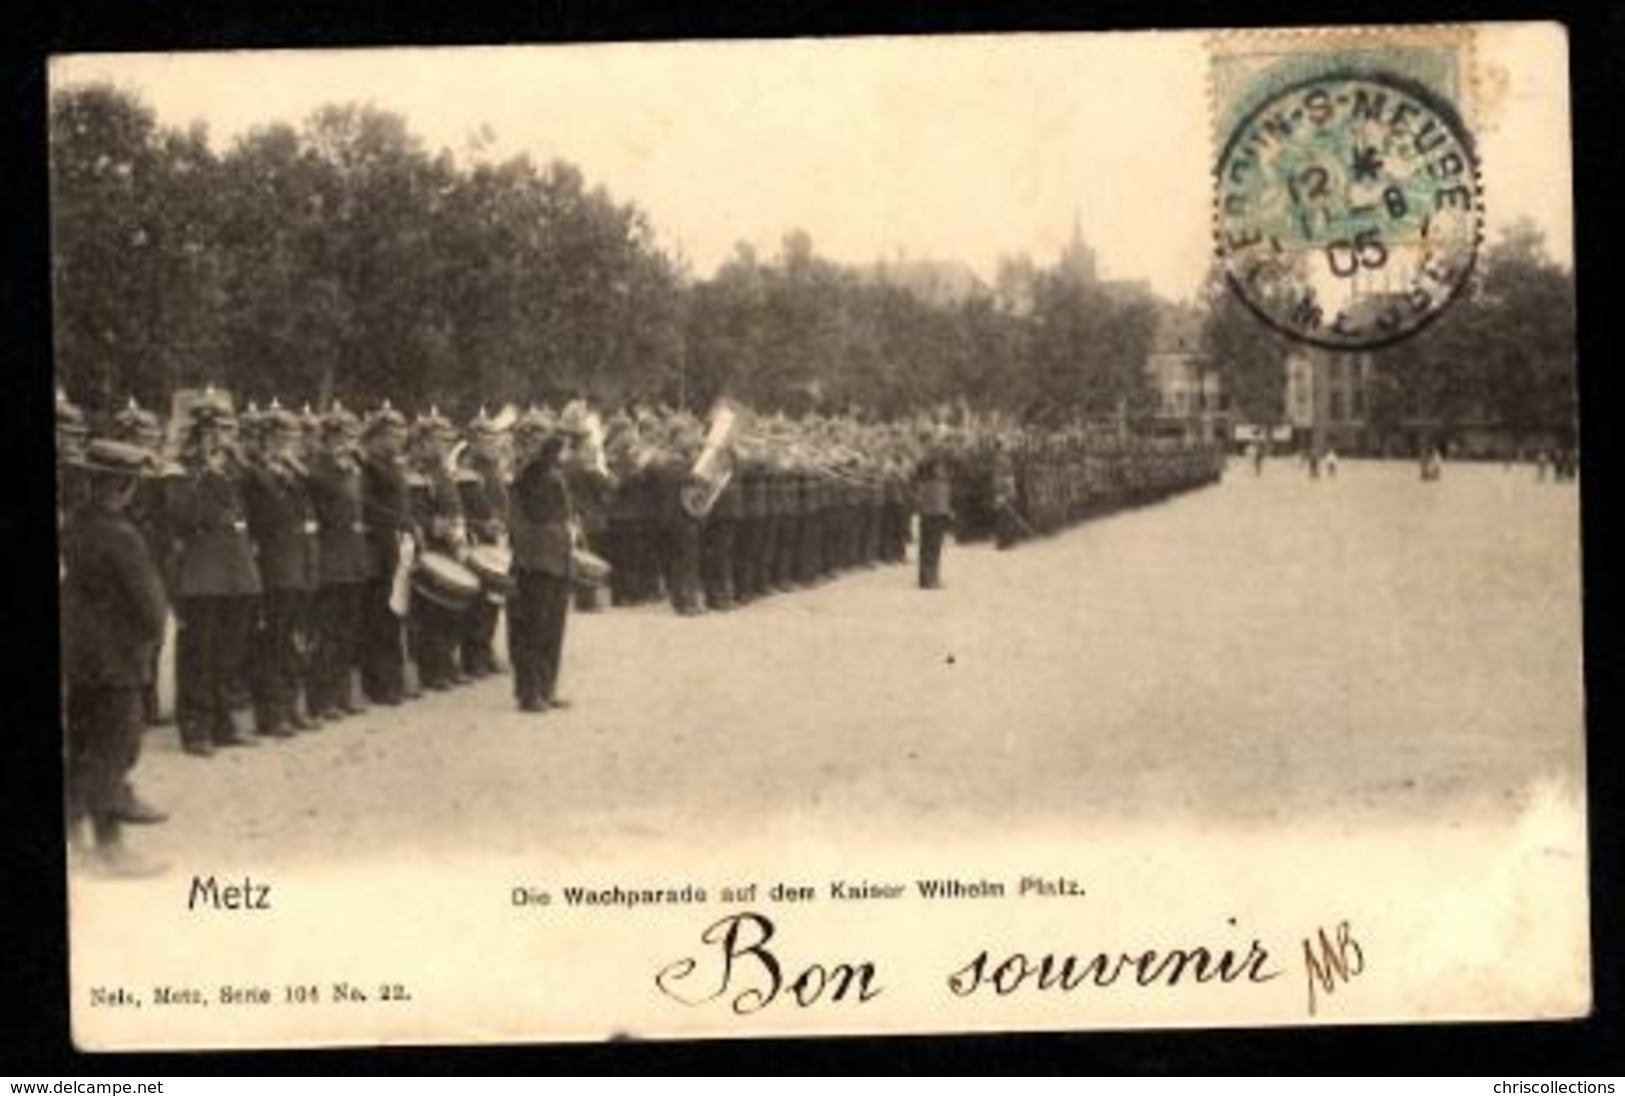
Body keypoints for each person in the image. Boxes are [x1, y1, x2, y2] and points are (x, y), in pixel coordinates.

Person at [62, 438, 171, 877]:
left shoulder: (73, 525)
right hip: (117, 657)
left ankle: (75, 843)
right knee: (116, 745)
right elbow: (151, 606)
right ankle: (111, 849)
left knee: (82, 745)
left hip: (78, 654)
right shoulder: (122, 535)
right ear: (125, 487)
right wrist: (150, 640)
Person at [168, 394, 261, 756]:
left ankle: (222, 722)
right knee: (198, 652)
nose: (221, 436)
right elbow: (185, 515)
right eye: (213, 429)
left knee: (229, 652)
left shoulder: (235, 467)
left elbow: (254, 504)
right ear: (197, 431)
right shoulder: (179, 469)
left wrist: (230, 464)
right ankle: (195, 728)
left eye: (225, 428)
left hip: (235, 569)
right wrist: (207, 471)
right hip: (200, 570)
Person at [242, 404, 320, 736]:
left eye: (290, 438)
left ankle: (291, 706)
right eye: (278, 437)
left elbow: (313, 500)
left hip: (298, 564)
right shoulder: (254, 474)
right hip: (273, 566)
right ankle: (271, 715)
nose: (286, 444)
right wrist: (279, 470)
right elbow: (265, 514)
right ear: (263, 440)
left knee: (293, 640)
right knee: (271, 643)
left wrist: (294, 471)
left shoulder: (294, 475)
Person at [507, 411, 577, 713]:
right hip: (534, 556)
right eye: (537, 435)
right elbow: (537, 459)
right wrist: (558, 433)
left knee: (552, 627)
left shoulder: (550, 468)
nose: (544, 441)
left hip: (556, 554)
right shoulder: (527, 467)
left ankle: (547, 688)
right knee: (531, 628)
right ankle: (528, 692)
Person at [307, 403, 370, 720]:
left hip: (353, 558)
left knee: (348, 631)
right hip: (330, 559)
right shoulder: (319, 469)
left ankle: (342, 694)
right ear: (328, 438)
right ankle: (322, 699)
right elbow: (327, 498)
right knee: (327, 632)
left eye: (351, 436)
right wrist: (343, 466)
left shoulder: (351, 470)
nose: (348, 442)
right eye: (342, 436)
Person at [359, 403, 413, 706]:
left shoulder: (394, 465)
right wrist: (397, 521)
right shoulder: (368, 466)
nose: (398, 440)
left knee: (395, 614)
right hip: (378, 549)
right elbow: (367, 505)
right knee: (379, 617)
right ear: (377, 436)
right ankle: (379, 685)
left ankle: (393, 680)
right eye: (392, 435)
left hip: (397, 546)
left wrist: (408, 524)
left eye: (400, 434)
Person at [913, 444, 954, 590]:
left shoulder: (926, 481)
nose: (941, 467)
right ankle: (930, 579)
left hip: (929, 513)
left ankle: (925, 578)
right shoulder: (936, 482)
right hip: (935, 514)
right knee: (932, 546)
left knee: (926, 547)